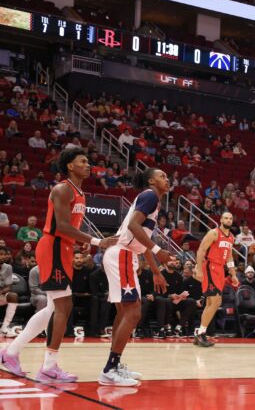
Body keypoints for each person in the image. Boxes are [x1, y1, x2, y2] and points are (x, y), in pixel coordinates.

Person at [1, 148, 116, 382]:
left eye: (88, 161)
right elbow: (61, 226)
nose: (88, 164)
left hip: (62, 248)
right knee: (64, 306)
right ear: (70, 166)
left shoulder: (80, 192)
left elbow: (68, 228)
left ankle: (10, 353)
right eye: (82, 161)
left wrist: (77, 244)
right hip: (52, 247)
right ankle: (48, 365)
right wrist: (96, 241)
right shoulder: (63, 189)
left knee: (53, 308)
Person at [99, 167, 171, 387]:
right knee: (133, 312)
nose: (167, 179)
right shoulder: (150, 195)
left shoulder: (151, 202)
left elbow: (141, 241)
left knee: (124, 313)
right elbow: (132, 226)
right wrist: (160, 251)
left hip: (125, 255)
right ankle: (110, 369)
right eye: (162, 176)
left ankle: (114, 365)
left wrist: (157, 272)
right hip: (122, 254)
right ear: (151, 181)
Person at [193, 212, 238, 347]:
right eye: (226, 218)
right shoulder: (214, 233)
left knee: (210, 303)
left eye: (230, 218)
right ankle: (201, 333)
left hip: (220, 270)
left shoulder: (231, 238)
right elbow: (201, 250)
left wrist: (233, 274)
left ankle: (200, 333)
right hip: (210, 267)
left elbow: (229, 257)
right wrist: (199, 269)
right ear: (220, 220)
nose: (228, 220)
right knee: (216, 301)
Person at [0, 247, 19, 337]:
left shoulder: (8, 267)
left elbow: (9, 286)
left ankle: (5, 327)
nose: (3, 257)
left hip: (1, 294)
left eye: (4, 254)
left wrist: (1, 292)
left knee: (13, 295)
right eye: (1, 254)